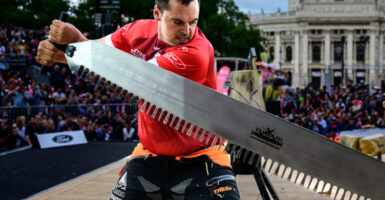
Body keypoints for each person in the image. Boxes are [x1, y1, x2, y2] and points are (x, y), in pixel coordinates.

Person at [36, 0, 240, 199]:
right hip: (148, 155)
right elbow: (96, 51)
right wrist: (65, 53)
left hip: (201, 158)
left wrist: (75, 45)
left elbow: (135, 77)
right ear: (157, 14)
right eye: (177, 22)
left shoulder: (197, 53)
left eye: (193, 22)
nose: (187, 31)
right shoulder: (137, 30)